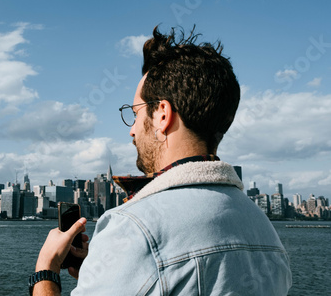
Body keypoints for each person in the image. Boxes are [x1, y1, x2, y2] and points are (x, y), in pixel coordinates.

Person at [29, 26, 292, 295]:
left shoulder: (133, 228)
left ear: (162, 115)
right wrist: (102, 271)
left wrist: (46, 270)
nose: (132, 129)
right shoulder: (265, 230)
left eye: (136, 113)